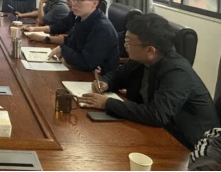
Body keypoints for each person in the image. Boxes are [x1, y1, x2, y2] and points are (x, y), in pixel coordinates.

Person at [79, 14, 219, 150]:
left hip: (190, 145)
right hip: (157, 130)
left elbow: (157, 114)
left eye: (129, 42)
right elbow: (118, 75)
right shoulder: (142, 59)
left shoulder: (177, 72)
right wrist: (105, 82)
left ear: (150, 50)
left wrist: (107, 103)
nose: (125, 46)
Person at [46, 0, 119, 74]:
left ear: (94, 3)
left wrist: (63, 50)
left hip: (97, 78)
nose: (73, 4)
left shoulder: (102, 28)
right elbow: (71, 44)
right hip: (78, 71)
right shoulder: (81, 19)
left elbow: (86, 63)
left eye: (78, 1)